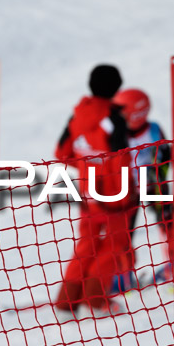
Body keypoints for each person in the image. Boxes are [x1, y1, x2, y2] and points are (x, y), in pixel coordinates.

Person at [53, 64, 135, 320]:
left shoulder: (77, 115)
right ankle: (96, 299)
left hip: (88, 194)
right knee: (114, 244)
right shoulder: (112, 117)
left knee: (87, 244)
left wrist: (87, 164)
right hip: (113, 195)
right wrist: (125, 192)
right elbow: (121, 157)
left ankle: (66, 302)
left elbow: (62, 152)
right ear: (117, 88)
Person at [110, 88, 172, 292]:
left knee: (169, 223)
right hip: (127, 188)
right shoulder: (117, 135)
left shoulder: (153, 130)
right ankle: (123, 275)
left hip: (153, 183)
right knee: (123, 232)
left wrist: (157, 172)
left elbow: (166, 155)